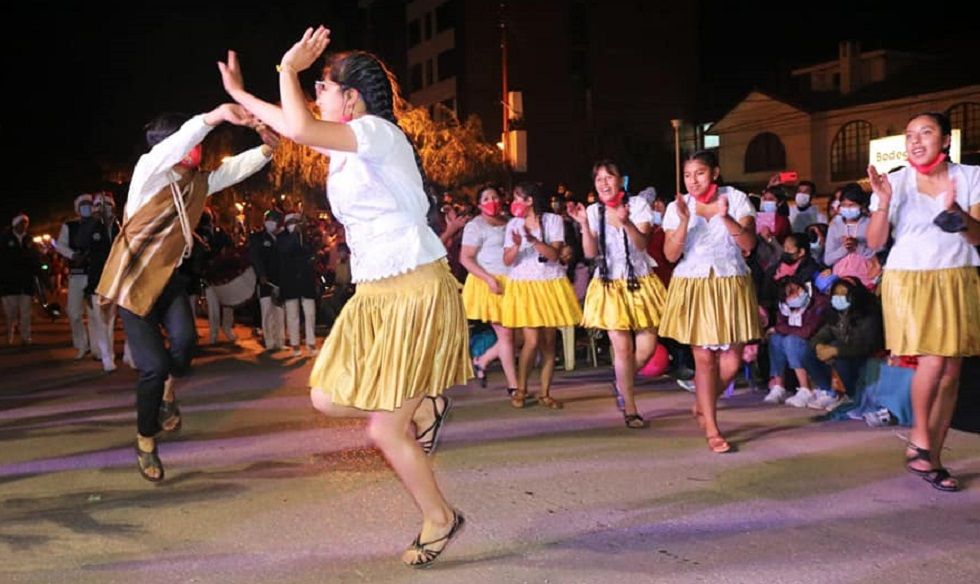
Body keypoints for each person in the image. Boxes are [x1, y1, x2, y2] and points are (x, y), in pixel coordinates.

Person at [219, 27, 469, 566]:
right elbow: (294, 125)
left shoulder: (377, 132)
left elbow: (300, 123)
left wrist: (288, 70)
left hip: (415, 288)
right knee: (326, 397)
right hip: (376, 293)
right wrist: (240, 96)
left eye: (324, 87)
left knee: (383, 429)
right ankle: (428, 404)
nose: (317, 97)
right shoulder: (345, 145)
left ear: (350, 98)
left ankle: (440, 519)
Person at [95, 104, 276, 482]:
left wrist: (266, 150)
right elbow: (180, 141)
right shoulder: (149, 173)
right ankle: (145, 440)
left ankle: (167, 391)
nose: (198, 148)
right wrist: (216, 116)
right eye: (191, 142)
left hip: (171, 281)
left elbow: (232, 170)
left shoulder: (196, 183)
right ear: (172, 145)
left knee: (184, 343)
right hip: (134, 283)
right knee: (153, 367)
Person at [866, 111, 980, 492]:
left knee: (951, 373)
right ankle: (920, 439)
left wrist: (958, 215)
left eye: (925, 132)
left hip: (958, 276)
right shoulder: (893, 182)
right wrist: (882, 202)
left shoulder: (971, 177)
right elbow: (875, 242)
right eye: (909, 134)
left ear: (946, 140)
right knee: (932, 359)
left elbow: (977, 237)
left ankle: (932, 458)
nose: (915, 141)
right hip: (910, 278)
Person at [660, 151, 760, 453]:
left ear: (715, 173)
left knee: (731, 360)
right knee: (704, 360)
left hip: (731, 280)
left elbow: (748, 244)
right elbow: (669, 255)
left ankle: (702, 404)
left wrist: (724, 215)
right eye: (688, 175)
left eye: (699, 173)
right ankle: (713, 430)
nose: (693, 180)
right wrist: (683, 221)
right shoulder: (678, 206)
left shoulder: (737, 198)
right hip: (694, 282)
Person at [571, 160, 666, 428]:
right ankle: (631, 408)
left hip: (640, 281)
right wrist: (583, 226)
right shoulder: (592, 211)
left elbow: (642, 243)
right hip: (610, 284)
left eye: (608, 177)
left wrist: (627, 223)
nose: (604, 182)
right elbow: (590, 254)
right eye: (599, 178)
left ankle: (622, 383)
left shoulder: (637, 206)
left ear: (620, 180)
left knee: (646, 349)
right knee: (622, 349)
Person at [500, 181, 582, 409]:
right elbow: (507, 260)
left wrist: (534, 240)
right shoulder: (513, 225)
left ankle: (545, 393)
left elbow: (555, 254)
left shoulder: (552, 220)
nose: (514, 203)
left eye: (518, 198)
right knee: (532, 340)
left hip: (549, 283)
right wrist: (516, 246)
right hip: (524, 284)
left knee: (548, 342)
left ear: (529, 200)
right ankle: (521, 389)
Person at [459, 184, 518, 393]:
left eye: (494, 196)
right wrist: (488, 279)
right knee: (507, 335)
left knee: (515, 335)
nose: (491, 201)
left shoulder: (510, 223)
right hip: (489, 284)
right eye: (485, 199)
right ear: (479, 204)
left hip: (512, 283)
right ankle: (514, 386)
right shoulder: (475, 226)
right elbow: (465, 258)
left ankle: (482, 360)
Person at [810, 277, 884, 399]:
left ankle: (853, 395)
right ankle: (829, 391)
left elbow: (867, 347)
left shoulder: (868, 313)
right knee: (809, 353)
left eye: (843, 294)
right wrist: (819, 345)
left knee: (839, 354)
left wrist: (835, 351)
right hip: (847, 353)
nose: (839, 298)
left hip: (866, 360)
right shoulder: (836, 313)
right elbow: (820, 335)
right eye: (836, 294)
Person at [79, 192, 125, 372]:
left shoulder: (119, 226)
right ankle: (107, 357)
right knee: (101, 321)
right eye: (99, 205)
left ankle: (120, 354)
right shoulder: (91, 227)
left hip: (117, 280)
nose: (103, 209)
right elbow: (81, 242)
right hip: (97, 282)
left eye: (107, 205)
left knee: (112, 321)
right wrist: (92, 220)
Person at [55, 194, 95, 359]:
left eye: (89, 204)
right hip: (76, 275)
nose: (86, 207)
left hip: (94, 274)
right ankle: (81, 344)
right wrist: (73, 255)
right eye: (83, 205)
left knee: (95, 314)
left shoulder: (98, 224)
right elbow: (60, 245)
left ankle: (98, 348)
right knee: (74, 312)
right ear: (77, 208)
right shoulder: (69, 226)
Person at [278, 212, 318, 356]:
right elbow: (285, 249)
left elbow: (311, 253)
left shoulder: (305, 237)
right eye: (292, 222)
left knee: (310, 313)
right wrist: (294, 236)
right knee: (292, 315)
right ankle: (295, 344)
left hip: (305, 281)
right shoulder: (282, 238)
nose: (294, 225)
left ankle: (311, 342)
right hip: (290, 282)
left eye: (297, 222)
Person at [249, 209, 286, 351]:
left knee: (279, 312)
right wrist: (261, 274)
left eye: (274, 220)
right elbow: (254, 257)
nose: (271, 222)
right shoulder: (258, 238)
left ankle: (280, 341)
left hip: (279, 281)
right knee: (266, 312)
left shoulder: (282, 238)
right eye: (269, 219)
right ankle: (269, 341)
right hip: (265, 281)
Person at [1, 213, 40, 345]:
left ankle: (26, 337)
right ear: (15, 224)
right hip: (9, 284)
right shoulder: (5, 239)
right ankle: (9, 337)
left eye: (26, 223)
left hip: (26, 283)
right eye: (21, 223)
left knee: (25, 313)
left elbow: (35, 258)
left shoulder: (29, 239)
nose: (24, 226)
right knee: (10, 314)